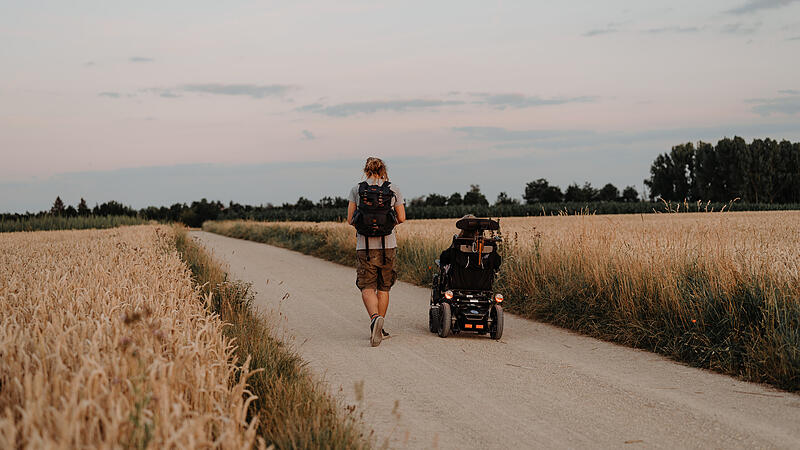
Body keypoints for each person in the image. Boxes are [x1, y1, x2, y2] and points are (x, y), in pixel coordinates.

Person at [347, 157, 406, 347]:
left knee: (367, 286)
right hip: (388, 244)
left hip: (364, 246)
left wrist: (365, 224)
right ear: (383, 170)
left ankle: (374, 319)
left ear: (366, 171)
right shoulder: (393, 188)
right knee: (384, 287)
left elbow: (350, 219)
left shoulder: (357, 189)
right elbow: (402, 218)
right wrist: (387, 223)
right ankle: (380, 325)